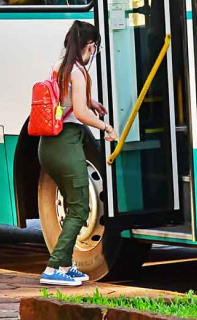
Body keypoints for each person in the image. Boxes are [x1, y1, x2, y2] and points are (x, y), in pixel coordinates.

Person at [39, 21, 117, 287]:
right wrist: (106, 127)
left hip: (47, 146)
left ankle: (65, 265)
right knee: (80, 207)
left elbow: (66, 101)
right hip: (66, 144)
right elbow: (80, 114)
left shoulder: (59, 66)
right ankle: (53, 267)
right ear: (91, 46)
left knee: (73, 205)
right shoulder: (79, 71)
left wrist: (90, 101)